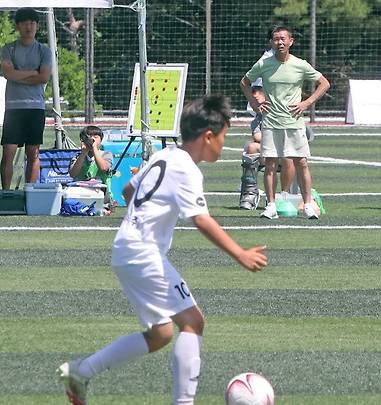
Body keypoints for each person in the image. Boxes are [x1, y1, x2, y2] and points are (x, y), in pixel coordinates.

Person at [57, 94, 268, 405]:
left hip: (128, 248)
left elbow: (129, 190)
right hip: (143, 253)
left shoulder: (165, 155)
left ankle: (81, 371)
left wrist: (144, 215)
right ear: (208, 136)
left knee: (161, 334)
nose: (224, 143)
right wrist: (241, 253)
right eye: (224, 136)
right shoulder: (188, 169)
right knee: (193, 322)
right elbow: (202, 220)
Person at [240, 25, 330, 219]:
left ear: (291, 41)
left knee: (302, 163)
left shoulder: (300, 64)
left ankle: (307, 205)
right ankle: (271, 205)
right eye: (276, 39)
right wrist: (255, 104)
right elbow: (245, 82)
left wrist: (307, 103)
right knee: (270, 164)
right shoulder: (264, 64)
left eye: (283, 39)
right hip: (271, 122)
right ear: (271, 42)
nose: (279, 42)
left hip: (294, 123)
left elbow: (324, 83)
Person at [0, 7, 52, 189]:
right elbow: (8, 73)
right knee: (8, 151)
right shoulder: (8, 49)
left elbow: (44, 77)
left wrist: (18, 73)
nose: (28, 26)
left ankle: (30, 192)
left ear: (37, 26)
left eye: (32, 22)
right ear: (18, 26)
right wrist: (31, 73)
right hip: (13, 108)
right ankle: (5, 193)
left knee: (33, 152)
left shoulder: (44, 51)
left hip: (35, 108)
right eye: (24, 22)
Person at [68, 125, 115, 213]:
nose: (92, 139)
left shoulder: (106, 154)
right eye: (89, 137)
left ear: (101, 140)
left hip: (102, 196)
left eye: (95, 137)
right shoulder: (78, 156)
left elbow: (104, 168)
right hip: (81, 194)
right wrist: (84, 153)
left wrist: (94, 148)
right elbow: (73, 174)